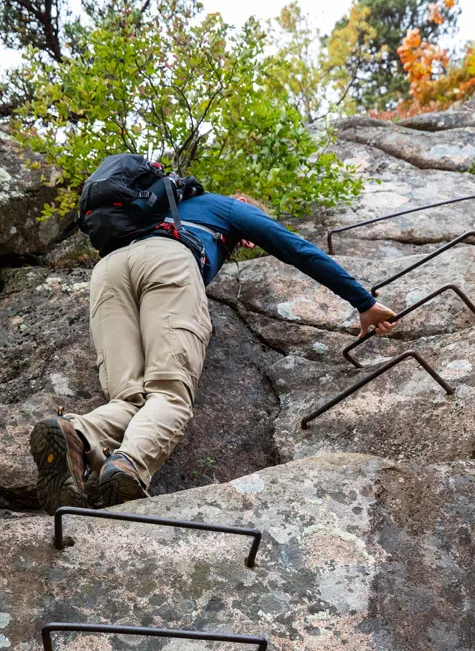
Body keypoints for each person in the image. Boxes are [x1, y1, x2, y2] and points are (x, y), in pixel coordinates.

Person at [29, 192, 397, 513]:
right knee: (169, 393)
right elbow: (296, 249)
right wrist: (362, 301)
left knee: (130, 398)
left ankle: (75, 432)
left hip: (107, 271)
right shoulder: (229, 208)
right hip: (166, 261)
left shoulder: (156, 207)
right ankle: (128, 466)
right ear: (243, 203)